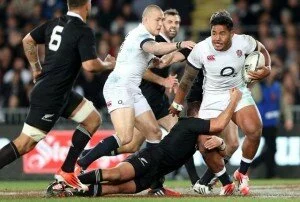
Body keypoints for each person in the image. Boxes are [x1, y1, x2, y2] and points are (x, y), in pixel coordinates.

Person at [0, 0, 115, 191]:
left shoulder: (54, 23)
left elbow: (28, 40)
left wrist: (36, 69)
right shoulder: (83, 30)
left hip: (61, 92)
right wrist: (108, 64)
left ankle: (67, 171)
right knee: (25, 143)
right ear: (87, 4)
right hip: (50, 95)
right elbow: (90, 66)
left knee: (93, 119)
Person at [46, 88, 242, 197]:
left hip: (153, 174)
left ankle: (72, 193)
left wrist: (221, 144)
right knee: (116, 175)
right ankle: (63, 182)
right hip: (149, 159)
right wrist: (234, 100)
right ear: (198, 113)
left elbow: (209, 148)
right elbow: (219, 123)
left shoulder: (197, 135)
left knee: (116, 189)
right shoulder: (190, 124)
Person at [76, 5, 194, 176]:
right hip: (118, 87)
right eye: (158, 19)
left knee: (154, 133)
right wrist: (180, 44)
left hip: (132, 89)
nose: (160, 23)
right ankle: (80, 164)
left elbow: (159, 62)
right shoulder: (142, 36)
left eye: (162, 20)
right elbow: (155, 48)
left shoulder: (146, 37)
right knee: (125, 138)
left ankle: (154, 183)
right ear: (145, 20)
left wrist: (186, 53)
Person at [169, 10, 271, 196]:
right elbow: (186, 80)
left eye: (222, 33)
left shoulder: (244, 42)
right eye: (213, 33)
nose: (216, 38)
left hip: (237, 91)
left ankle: (241, 173)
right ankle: (226, 183)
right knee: (203, 144)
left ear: (231, 33)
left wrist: (268, 69)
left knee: (254, 130)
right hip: (212, 97)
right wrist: (177, 104)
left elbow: (262, 50)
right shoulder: (201, 48)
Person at [251, 66, 294, 178]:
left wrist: (288, 118)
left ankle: (267, 173)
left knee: (271, 149)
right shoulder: (258, 86)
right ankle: (255, 167)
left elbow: (284, 104)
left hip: (273, 123)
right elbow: (256, 99)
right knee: (271, 148)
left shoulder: (278, 87)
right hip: (260, 122)